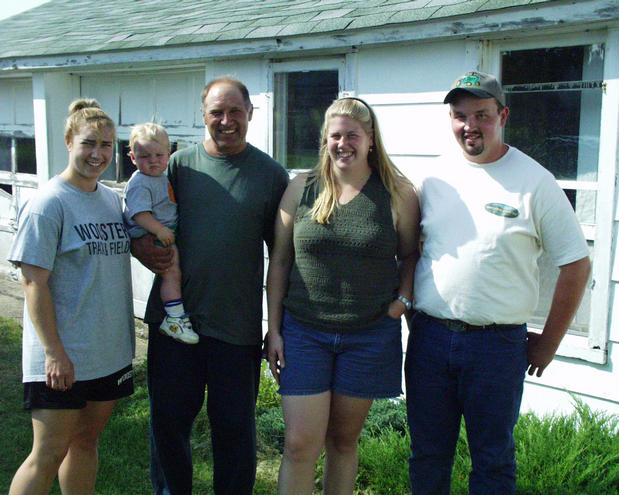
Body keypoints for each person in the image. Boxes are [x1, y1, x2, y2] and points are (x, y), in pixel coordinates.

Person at [405, 70, 591, 495]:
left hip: (497, 347)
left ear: (502, 115)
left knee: (492, 461)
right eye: (460, 115)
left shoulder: (535, 181)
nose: (470, 126)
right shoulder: (432, 179)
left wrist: (550, 341)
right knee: (428, 455)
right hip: (429, 340)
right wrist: (415, 312)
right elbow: (413, 248)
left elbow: (576, 264)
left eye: (482, 115)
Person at [130, 77, 289, 495]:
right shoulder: (177, 166)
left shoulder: (272, 176)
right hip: (174, 324)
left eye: (235, 111)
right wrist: (141, 247)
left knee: (235, 434)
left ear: (251, 114)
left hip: (235, 329)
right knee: (168, 426)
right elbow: (138, 218)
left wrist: (275, 327)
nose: (226, 120)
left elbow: (282, 259)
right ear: (203, 116)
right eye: (216, 112)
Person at [265, 97, 420, 495]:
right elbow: (280, 262)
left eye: (352, 135)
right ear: (325, 141)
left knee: (342, 442)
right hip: (304, 332)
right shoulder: (301, 188)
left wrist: (402, 300)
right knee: (300, 444)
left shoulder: (398, 193)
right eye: (335, 135)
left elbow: (411, 255)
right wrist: (275, 330)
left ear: (370, 139)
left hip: (368, 336)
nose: (343, 143)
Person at [7, 99, 135, 495]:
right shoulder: (48, 204)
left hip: (109, 353)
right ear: (68, 141)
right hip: (63, 356)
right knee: (47, 453)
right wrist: (54, 352)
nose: (98, 154)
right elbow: (33, 283)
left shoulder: (112, 201)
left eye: (107, 145)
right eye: (88, 143)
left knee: (86, 442)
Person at [124, 123, 198, 344]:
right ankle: (174, 319)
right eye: (145, 156)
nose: (153, 160)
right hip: (151, 233)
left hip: (162, 231)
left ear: (169, 154)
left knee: (174, 273)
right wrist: (159, 230)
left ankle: (176, 316)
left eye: (159, 154)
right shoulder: (140, 182)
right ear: (133, 158)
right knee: (171, 273)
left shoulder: (158, 177)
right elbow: (139, 214)